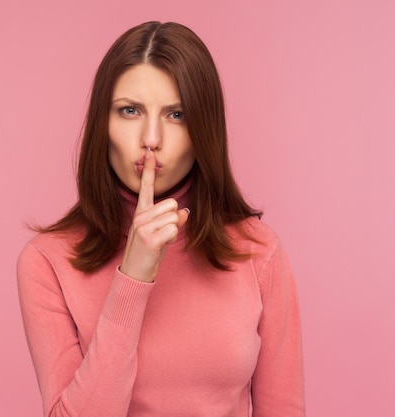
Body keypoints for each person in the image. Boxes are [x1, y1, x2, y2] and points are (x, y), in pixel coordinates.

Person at [17, 21, 305, 417]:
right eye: (130, 111)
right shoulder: (47, 261)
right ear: (103, 123)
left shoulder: (257, 251)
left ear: (204, 128)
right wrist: (133, 276)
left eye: (176, 114)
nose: (150, 138)